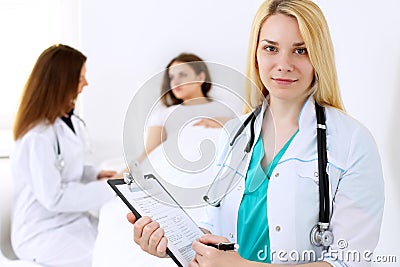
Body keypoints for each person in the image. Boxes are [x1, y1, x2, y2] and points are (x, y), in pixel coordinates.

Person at [127, 1, 385, 266]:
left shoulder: (353, 142)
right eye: (271, 48)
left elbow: (350, 261)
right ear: (256, 54)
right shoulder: (233, 134)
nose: (284, 64)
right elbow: (217, 231)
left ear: (319, 56)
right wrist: (174, 241)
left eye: (301, 50)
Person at [11, 44, 118, 267]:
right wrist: (110, 188)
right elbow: (55, 197)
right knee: (104, 257)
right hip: (41, 230)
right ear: (62, 81)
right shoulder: (37, 135)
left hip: (69, 219)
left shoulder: (65, 119)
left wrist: (95, 173)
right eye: (80, 78)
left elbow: (67, 166)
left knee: (116, 242)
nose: (86, 84)